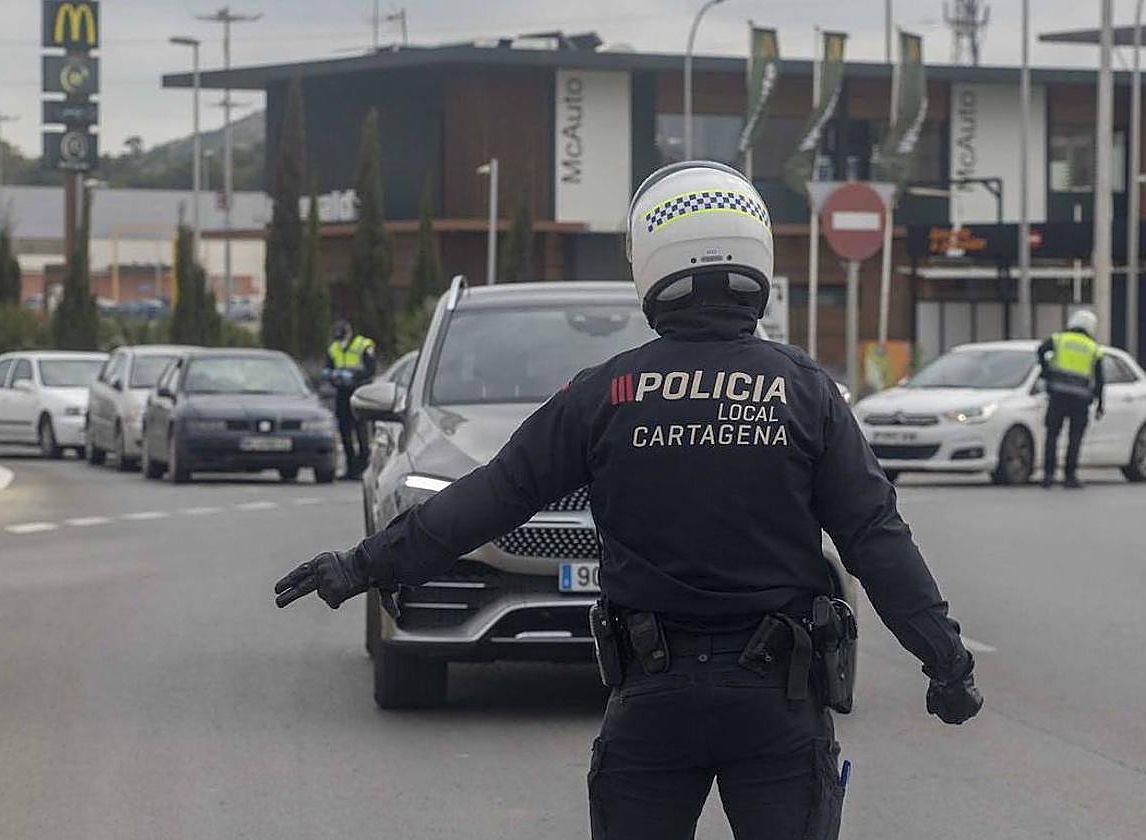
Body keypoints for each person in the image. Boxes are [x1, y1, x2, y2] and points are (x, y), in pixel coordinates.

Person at [277, 162, 982, 840]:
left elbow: (492, 497)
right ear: (757, 252)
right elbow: (875, 539)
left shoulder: (604, 394)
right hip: (777, 702)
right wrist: (946, 662)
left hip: (653, 699)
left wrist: (365, 564)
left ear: (649, 258)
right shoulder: (805, 392)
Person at [1037, 310, 1105, 489]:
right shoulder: (1093, 348)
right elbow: (1100, 379)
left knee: (1052, 435)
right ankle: (1070, 476)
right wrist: (1100, 403)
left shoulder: (1059, 339)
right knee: (1075, 438)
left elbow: (1041, 351)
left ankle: (1048, 475)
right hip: (1080, 400)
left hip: (1057, 396)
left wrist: (1046, 371)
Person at [325, 320, 377, 479]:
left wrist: (354, 376)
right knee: (344, 431)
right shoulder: (334, 348)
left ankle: (363, 467)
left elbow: (370, 369)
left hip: (359, 392)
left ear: (349, 333)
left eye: (342, 337)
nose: (341, 342)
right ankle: (351, 468)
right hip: (342, 393)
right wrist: (332, 376)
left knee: (361, 432)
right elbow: (328, 367)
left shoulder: (363, 345)